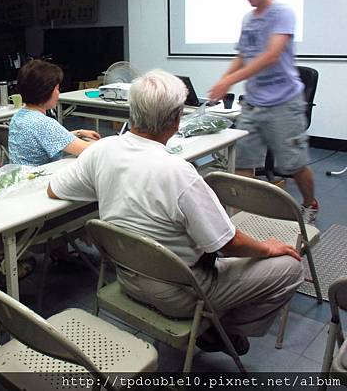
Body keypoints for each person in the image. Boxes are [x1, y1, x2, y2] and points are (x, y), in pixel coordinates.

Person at [48, 70, 304, 355]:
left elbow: (54, 190)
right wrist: (267, 249)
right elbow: (227, 244)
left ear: (133, 112)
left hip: (127, 277)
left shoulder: (102, 150)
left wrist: (111, 183)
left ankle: (210, 325)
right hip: (180, 292)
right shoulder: (181, 173)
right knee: (291, 268)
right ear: (176, 120)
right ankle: (216, 327)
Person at [209, 0, 318, 224]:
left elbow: (270, 55)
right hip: (254, 104)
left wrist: (230, 81)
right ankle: (242, 218)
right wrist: (224, 80)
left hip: (284, 103)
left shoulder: (282, 13)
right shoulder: (248, 19)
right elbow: (243, 55)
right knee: (243, 163)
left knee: (294, 165)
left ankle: (310, 204)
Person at [8, 59, 100, 166]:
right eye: (57, 88)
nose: (59, 93)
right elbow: (89, 150)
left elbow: (47, 138)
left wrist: (79, 132)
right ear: (45, 91)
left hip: (21, 179)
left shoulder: (18, 116)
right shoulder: (43, 124)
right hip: (40, 180)